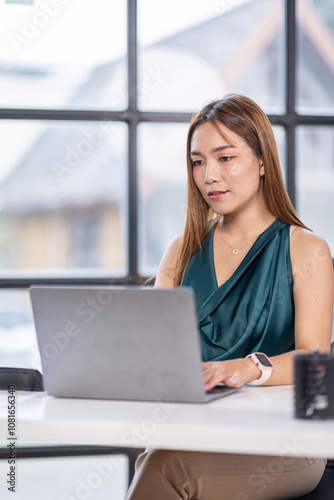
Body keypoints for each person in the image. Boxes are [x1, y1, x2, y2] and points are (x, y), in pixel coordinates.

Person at [125, 94, 334, 500]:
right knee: (159, 458)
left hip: (288, 444)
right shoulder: (181, 250)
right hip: (196, 429)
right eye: (198, 161)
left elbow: (315, 360)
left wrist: (249, 367)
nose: (209, 176)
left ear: (261, 161)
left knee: (165, 467)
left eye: (225, 158)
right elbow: (157, 354)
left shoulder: (306, 249)